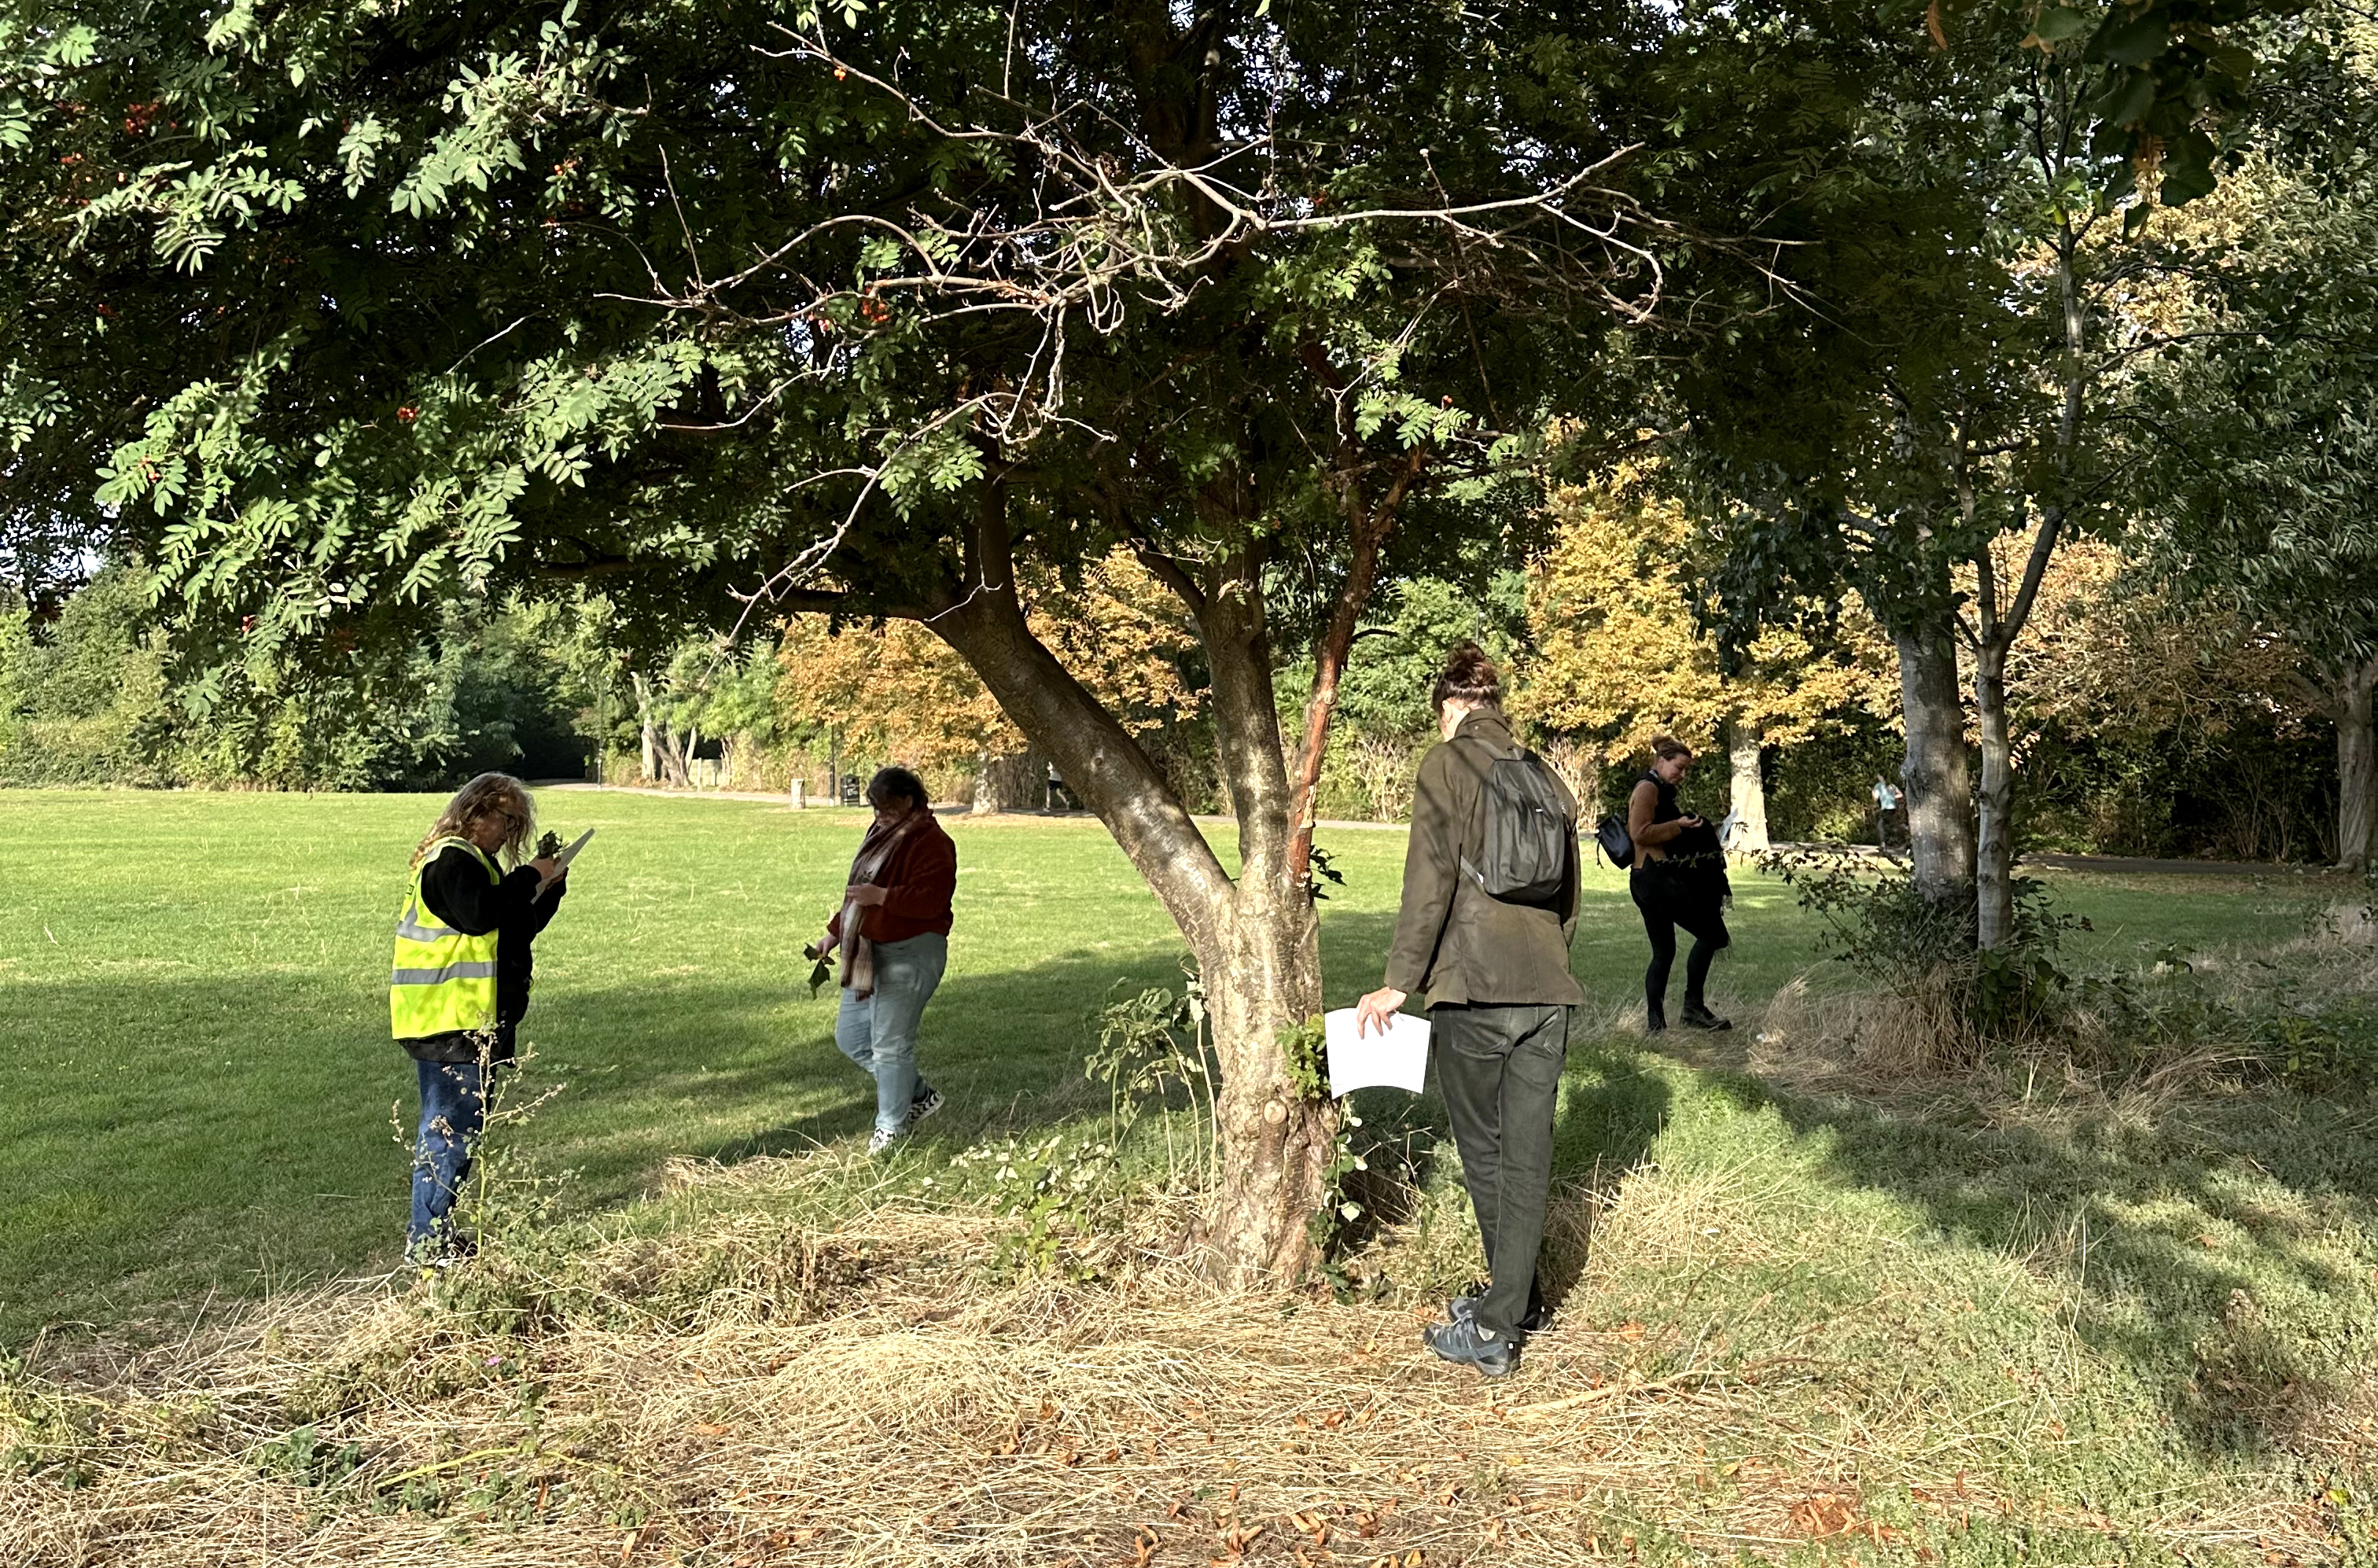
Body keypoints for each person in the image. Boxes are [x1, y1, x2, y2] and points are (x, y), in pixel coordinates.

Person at [1356, 644, 1582, 1379]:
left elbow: (1429, 883)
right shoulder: (1547, 775)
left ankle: (1495, 1329)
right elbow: (1568, 896)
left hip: (1473, 988)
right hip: (1549, 990)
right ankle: (1521, 1303)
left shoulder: (1445, 764)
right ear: (1495, 703)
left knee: (1486, 1155)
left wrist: (1399, 980)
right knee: (1529, 1156)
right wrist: (1551, 960)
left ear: (1449, 707)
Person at [389, 772, 568, 1266]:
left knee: (460, 1130)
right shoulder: (451, 858)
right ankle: (427, 1244)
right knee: (448, 1131)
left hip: (468, 1019)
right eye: (509, 821)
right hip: (448, 1019)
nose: (511, 834)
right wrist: (530, 875)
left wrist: (549, 889)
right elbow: (479, 915)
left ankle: (436, 1234)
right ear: (479, 812)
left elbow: (512, 928)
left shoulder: (479, 864)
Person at [817, 766, 958, 1154]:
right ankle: (918, 1094)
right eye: (875, 809)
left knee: (891, 1046)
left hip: (912, 950)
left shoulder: (932, 842)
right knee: (852, 1038)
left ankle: (891, 1130)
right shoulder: (880, 834)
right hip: (868, 948)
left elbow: (931, 900)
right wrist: (833, 932)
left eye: (887, 808)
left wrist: (882, 896)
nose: (879, 816)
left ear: (910, 801)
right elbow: (856, 894)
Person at [1628, 738, 1732, 1033]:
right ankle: (1693, 1009)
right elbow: (1639, 832)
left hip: (1648, 880)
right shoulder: (1648, 788)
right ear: (1662, 760)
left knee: (1664, 953)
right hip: (1656, 880)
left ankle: (1656, 1026)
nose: (1682, 774)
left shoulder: (1657, 789)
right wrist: (1680, 827)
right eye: (1679, 767)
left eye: (1686, 770)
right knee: (1712, 934)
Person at [1872, 776, 1904, 848]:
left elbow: (1875, 798)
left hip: (1886, 808)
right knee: (1890, 825)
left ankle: (1883, 844)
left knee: (1880, 825)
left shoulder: (1878, 785)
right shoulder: (1892, 785)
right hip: (1893, 808)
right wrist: (1893, 797)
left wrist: (1873, 793)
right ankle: (1900, 837)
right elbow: (1901, 794)